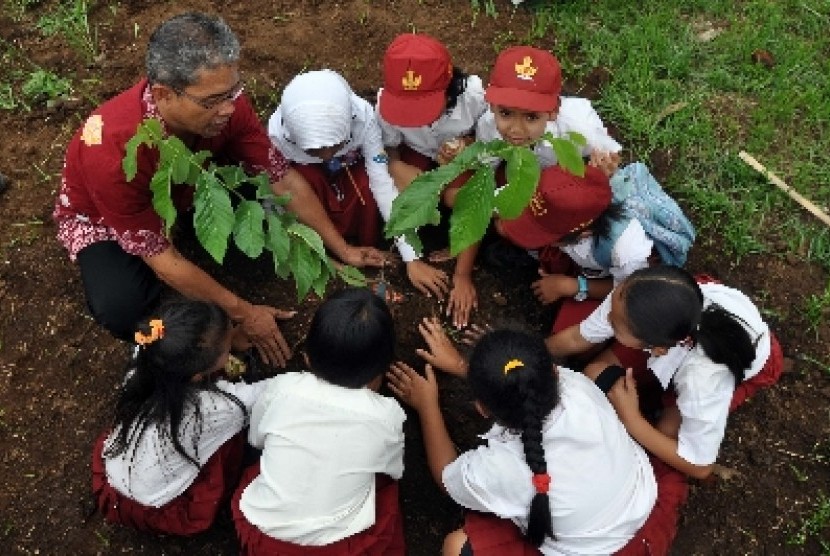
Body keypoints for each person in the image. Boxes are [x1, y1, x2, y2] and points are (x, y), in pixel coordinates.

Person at [52, 12, 381, 364]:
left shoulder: (225, 106)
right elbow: (163, 259)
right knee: (122, 308)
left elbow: (279, 177)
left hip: (187, 193)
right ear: (163, 94)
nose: (229, 108)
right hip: (104, 221)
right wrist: (243, 315)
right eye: (212, 101)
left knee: (257, 221)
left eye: (233, 91)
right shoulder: (111, 150)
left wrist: (341, 248)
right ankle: (165, 346)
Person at [387, 321, 688, 555]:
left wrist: (427, 405)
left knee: (457, 547)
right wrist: (464, 367)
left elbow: (445, 477)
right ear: (555, 372)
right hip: (644, 505)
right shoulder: (579, 386)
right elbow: (523, 384)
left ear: (481, 408)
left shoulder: (502, 469)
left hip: (602, 550)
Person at [547, 265, 785, 480]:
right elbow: (578, 337)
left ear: (657, 349)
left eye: (615, 324)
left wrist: (633, 420)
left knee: (664, 437)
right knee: (595, 372)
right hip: (684, 342)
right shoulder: (640, 296)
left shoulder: (704, 380)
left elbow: (699, 465)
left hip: (732, 360)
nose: (607, 316)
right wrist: (535, 354)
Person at [443, 45, 623, 328]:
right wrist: (462, 274)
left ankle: (546, 254)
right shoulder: (490, 128)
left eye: (530, 117)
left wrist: (604, 170)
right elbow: (480, 194)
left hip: (567, 195)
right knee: (457, 197)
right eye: (506, 113)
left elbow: (608, 164)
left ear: (552, 113)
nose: (515, 129)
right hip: (528, 184)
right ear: (491, 107)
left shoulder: (578, 128)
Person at [232, 287, 406, 555]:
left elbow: (256, 439)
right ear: (381, 370)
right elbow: (393, 471)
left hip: (263, 533)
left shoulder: (281, 388)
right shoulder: (387, 415)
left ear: (307, 358)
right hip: (336, 548)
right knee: (385, 493)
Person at [269, 69, 449, 299]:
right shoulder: (274, 139)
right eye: (313, 151)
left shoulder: (364, 120)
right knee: (303, 184)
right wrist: (339, 264)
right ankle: (331, 245)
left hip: (350, 176)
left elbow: (381, 181)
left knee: (366, 182)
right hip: (312, 188)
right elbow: (277, 209)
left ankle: (366, 238)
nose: (326, 156)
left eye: (337, 145)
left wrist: (411, 256)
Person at [91, 299, 267, 535]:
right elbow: (268, 394)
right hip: (158, 504)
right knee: (233, 438)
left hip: (115, 477)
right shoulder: (215, 408)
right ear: (196, 376)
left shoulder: (146, 354)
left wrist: (228, 342)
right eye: (226, 350)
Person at [375, 33, 488, 190]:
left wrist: (468, 143)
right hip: (416, 153)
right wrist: (395, 165)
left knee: (462, 195)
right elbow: (388, 144)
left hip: (460, 159)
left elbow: (489, 128)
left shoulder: (473, 98)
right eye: (404, 108)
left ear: (449, 93)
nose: (414, 115)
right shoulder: (384, 105)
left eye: (421, 107)